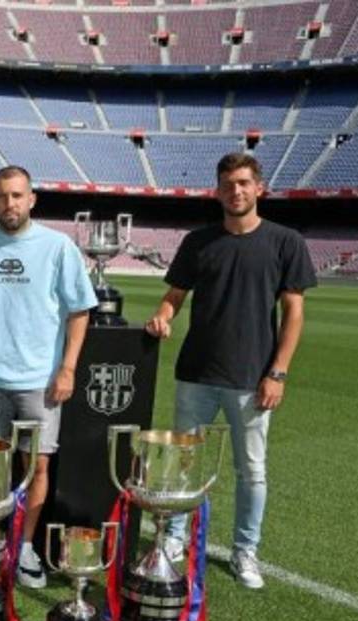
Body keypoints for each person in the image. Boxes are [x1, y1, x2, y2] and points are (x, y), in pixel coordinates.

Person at [144, 153, 316, 590]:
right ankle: (176, 540)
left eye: (243, 183)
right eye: (227, 184)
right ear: (217, 191)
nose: (235, 191)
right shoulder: (199, 242)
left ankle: (245, 551)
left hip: (251, 379)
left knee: (251, 471)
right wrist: (162, 316)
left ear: (259, 188)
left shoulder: (285, 241)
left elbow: (294, 313)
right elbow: (174, 296)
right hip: (196, 373)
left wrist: (277, 373)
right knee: (182, 464)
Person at [0, 166, 96, 588]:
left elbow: (79, 311)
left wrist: (67, 368)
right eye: (1, 196)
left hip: (40, 381)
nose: (9, 204)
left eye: (17, 196)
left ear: (32, 199)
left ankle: (26, 545)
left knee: (37, 464)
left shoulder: (57, 247)